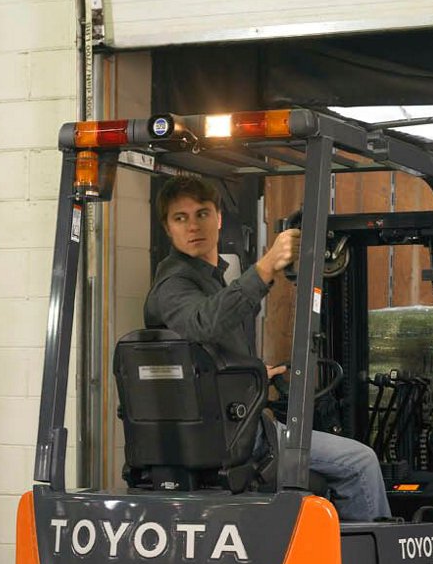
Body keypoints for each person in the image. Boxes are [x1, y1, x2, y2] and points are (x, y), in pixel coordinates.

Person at [144, 174, 391, 522]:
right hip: (234, 435)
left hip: (227, 423)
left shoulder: (207, 279)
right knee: (359, 462)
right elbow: (203, 322)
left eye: (201, 214)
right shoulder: (173, 285)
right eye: (179, 218)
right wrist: (266, 265)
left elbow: (204, 353)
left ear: (218, 218)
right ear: (168, 229)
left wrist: (258, 373)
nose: (192, 226)